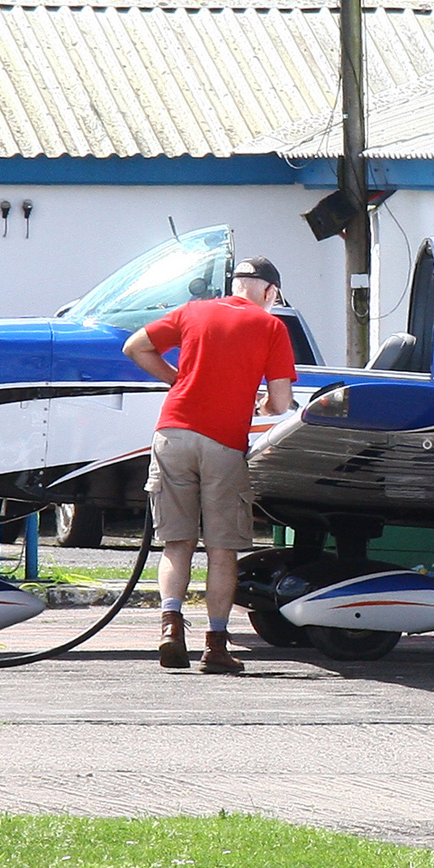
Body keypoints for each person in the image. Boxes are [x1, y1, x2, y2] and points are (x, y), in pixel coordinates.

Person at [122, 256, 296, 673]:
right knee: (221, 551)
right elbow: (283, 401)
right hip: (222, 443)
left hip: (172, 434)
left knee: (176, 544)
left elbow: (135, 347)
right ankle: (215, 646)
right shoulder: (271, 326)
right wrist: (264, 404)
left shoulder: (192, 311)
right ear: (269, 292)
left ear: (236, 284)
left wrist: (176, 380)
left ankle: (170, 628)